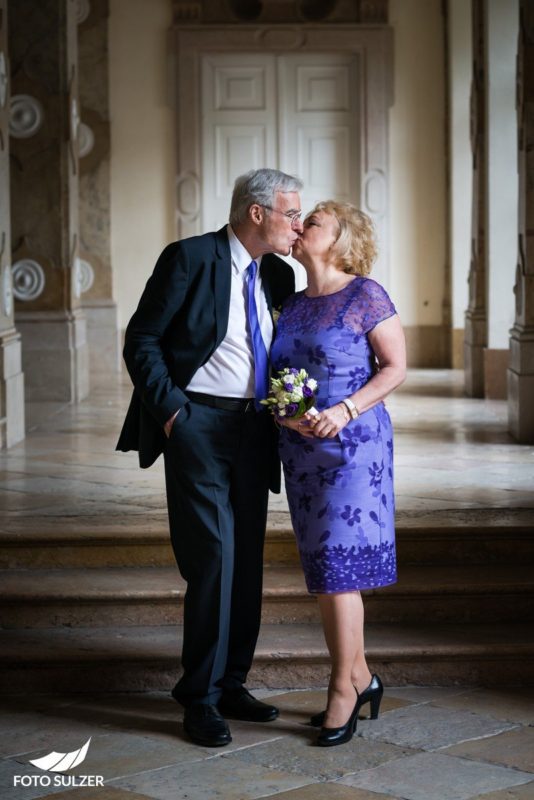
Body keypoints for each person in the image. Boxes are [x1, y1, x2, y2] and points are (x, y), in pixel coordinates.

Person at [116, 168, 302, 747]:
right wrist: (174, 414)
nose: (297, 224)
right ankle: (197, 697)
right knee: (213, 559)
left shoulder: (278, 273)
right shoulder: (189, 258)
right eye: (290, 214)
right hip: (198, 423)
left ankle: (231, 684)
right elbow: (141, 338)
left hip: (256, 429)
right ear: (256, 212)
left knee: (245, 559)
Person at [271, 201, 406, 747]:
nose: (301, 227)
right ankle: (363, 676)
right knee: (325, 571)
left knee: (339, 570)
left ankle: (341, 691)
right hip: (302, 450)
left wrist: (346, 409)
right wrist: (285, 412)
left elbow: (395, 367)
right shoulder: (290, 302)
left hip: (353, 447)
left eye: (315, 221)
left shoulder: (365, 294)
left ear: (342, 238)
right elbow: (278, 372)